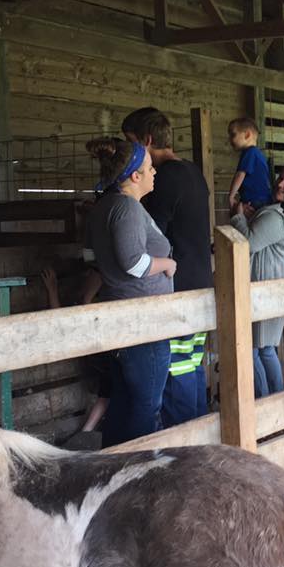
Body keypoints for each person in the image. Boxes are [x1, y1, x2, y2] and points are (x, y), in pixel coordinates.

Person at [122, 106, 213, 427]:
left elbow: (151, 233)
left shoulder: (166, 178)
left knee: (177, 370)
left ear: (147, 141)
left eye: (131, 144)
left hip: (179, 285)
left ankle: (185, 449)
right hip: (201, 280)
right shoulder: (191, 171)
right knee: (192, 364)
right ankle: (201, 440)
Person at [85, 137, 176, 447]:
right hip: (142, 321)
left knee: (124, 401)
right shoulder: (125, 208)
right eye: (150, 168)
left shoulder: (108, 205)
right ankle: (140, 470)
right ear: (135, 176)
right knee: (145, 406)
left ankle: (113, 462)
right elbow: (134, 263)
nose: (155, 173)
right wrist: (167, 263)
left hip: (125, 316)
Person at [229, 161, 284, 398]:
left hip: (265, 286)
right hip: (273, 284)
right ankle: (275, 400)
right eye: (280, 178)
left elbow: (248, 242)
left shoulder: (280, 216)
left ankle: (265, 404)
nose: (281, 183)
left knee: (256, 350)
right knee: (264, 349)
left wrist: (238, 216)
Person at [40, 265, 110, 440]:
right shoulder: (86, 300)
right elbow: (63, 326)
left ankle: (86, 432)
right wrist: (53, 289)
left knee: (108, 392)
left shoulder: (96, 299)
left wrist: (53, 290)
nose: (88, 277)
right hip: (99, 353)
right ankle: (86, 432)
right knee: (107, 392)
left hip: (103, 351)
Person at [227, 116, 272, 209]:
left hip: (254, 201)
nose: (230, 139)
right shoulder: (259, 154)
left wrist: (231, 196)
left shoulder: (250, 153)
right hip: (264, 200)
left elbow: (240, 175)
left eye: (233, 134)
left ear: (247, 135)